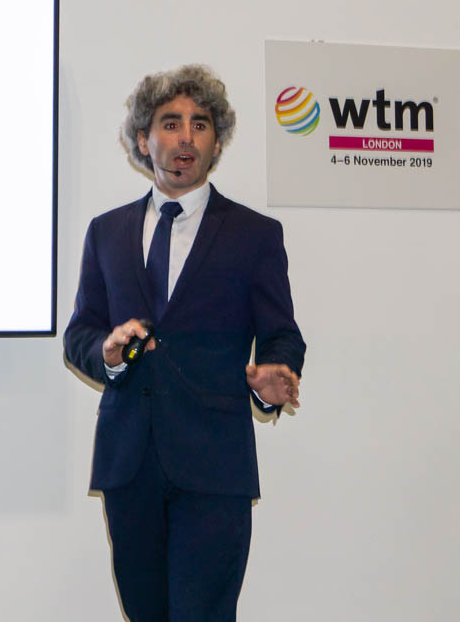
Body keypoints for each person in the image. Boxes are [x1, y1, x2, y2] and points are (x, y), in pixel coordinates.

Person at [64, 64, 305, 621]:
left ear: (216, 142)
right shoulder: (106, 231)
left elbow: (281, 335)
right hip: (129, 464)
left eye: (200, 124)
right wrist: (107, 353)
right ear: (143, 140)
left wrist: (272, 378)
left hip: (215, 463)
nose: (185, 137)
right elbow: (79, 334)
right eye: (170, 123)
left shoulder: (255, 235)